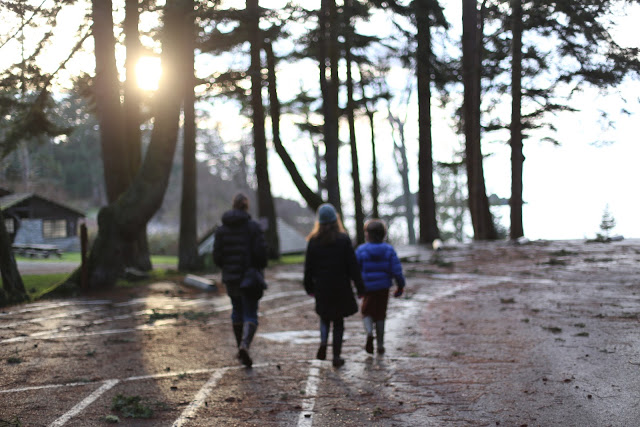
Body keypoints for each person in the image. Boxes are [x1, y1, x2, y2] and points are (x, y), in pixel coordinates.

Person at [303, 203, 364, 368]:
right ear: (336, 219)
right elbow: (353, 266)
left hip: (322, 287)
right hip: (341, 287)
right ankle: (336, 356)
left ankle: (323, 342)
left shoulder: (313, 241)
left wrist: (309, 287)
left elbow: (308, 267)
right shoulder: (343, 240)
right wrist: (360, 288)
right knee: (338, 322)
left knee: (324, 318)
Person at [213, 193, 267, 368]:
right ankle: (244, 345)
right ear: (246, 207)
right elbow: (261, 253)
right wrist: (258, 266)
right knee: (251, 313)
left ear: (233, 206)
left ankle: (240, 347)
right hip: (250, 278)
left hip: (231, 278)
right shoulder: (253, 227)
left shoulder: (221, 229)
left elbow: (217, 256)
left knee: (237, 310)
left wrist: (227, 267)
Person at [355, 219, 405, 355]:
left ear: (367, 235)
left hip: (367, 288)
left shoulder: (361, 250)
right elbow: (396, 270)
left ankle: (369, 333)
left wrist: (357, 287)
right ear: (383, 234)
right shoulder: (388, 249)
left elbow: (355, 270)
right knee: (380, 315)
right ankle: (381, 345)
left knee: (366, 312)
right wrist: (400, 285)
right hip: (383, 288)